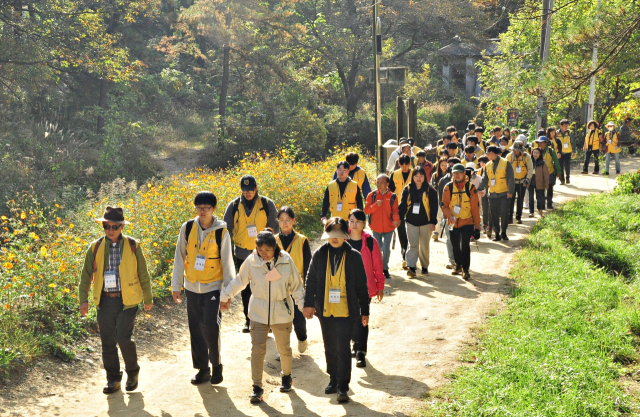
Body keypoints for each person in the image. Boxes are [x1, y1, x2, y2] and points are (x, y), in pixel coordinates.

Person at [219, 230, 305, 403]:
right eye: (260, 249)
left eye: (267, 250)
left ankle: (286, 376)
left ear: (275, 247)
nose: (263, 253)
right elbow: (239, 281)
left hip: (282, 311)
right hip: (258, 312)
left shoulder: (286, 261)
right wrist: (224, 296)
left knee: (284, 349)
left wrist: (304, 306)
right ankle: (257, 387)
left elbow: (296, 286)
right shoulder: (251, 262)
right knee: (257, 350)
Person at [78, 206, 153, 394]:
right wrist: (83, 300)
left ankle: (133, 373)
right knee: (107, 341)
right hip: (104, 301)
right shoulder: (95, 247)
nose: (110, 230)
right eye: (107, 226)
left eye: (114, 227)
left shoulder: (133, 245)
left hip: (127, 300)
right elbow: (86, 276)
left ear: (121, 227)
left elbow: (143, 273)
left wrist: (148, 297)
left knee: (123, 338)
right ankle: (113, 380)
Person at [303, 218, 370, 403]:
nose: (335, 237)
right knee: (330, 346)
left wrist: (365, 311)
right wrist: (308, 304)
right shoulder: (320, 254)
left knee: (343, 347)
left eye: (339, 232)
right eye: (331, 232)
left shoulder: (354, 256)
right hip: (325, 309)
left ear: (345, 235)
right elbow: (311, 281)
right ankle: (332, 378)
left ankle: (342, 386)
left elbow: (361, 286)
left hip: (347, 310)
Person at [171, 191, 235, 386]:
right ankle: (202, 369)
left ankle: (216, 367)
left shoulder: (221, 232)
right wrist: (176, 286)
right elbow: (179, 257)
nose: (202, 211)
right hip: (191, 286)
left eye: (206, 208)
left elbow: (227, 263)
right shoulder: (188, 227)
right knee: (196, 329)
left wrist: (228, 293)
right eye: (199, 208)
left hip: (213, 288)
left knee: (210, 327)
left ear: (214, 208)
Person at [224, 175, 279, 333]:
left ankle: (267, 320)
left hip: (264, 253)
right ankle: (249, 320)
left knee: (266, 285)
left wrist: (269, 248)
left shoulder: (267, 204)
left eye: (250, 190)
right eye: (244, 190)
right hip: (242, 252)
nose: (247, 193)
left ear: (256, 188)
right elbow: (227, 228)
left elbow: (274, 227)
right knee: (245, 287)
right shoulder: (234, 205)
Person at [347, 209, 384, 368]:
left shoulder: (370, 242)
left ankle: (361, 351)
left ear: (364, 224)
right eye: (351, 221)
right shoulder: (342, 239)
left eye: (358, 221)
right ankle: (355, 344)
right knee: (348, 317)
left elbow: (377, 265)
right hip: (345, 287)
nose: (354, 225)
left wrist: (380, 285)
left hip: (365, 287)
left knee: (362, 318)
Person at [275, 207, 312, 357]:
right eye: (282, 221)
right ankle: (283, 349)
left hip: (297, 285)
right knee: (281, 320)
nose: (285, 224)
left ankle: (302, 338)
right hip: (279, 285)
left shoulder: (302, 240)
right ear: (278, 221)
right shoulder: (274, 240)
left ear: (293, 221)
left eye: (288, 221)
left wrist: (309, 289)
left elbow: (309, 265)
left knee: (298, 318)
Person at [441, 164, 481, 279]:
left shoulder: (471, 188)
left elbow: (475, 208)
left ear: (464, 173)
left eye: (459, 173)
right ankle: (458, 266)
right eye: (454, 173)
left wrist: (477, 225)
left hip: (467, 222)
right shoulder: (448, 187)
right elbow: (444, 205)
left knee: (465, 246)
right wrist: (450, 216)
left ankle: (465, 269)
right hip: (453, 223)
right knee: (455, 246)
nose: (456, 175)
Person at [398, 165, 439, 277]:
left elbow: (434, 207)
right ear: (413, 177)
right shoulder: (407, 189)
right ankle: (411, 267)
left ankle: (424, 266)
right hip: (411, 221)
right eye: (416, 176)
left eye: (421, 176)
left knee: (424, 246)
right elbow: (402, 205)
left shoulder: (431, 190)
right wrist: (398, 217)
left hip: (426, 222)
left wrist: (433, 222)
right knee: (413, 245)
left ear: (425, 177)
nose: (418, 178)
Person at [364, 174, 400, 279]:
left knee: (386, 248)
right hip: (376, 227)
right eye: (377, 182)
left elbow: (395, 210)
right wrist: (375, 205)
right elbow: (366, 210)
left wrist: (396, 220)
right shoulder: (372, 195)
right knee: (377, 249)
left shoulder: (393, 196)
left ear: (387, 184)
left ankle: (385, 268)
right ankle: (378, 269)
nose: (379, 184)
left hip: (389, 227)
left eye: (381, 182)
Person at [478, 146, 515, 242]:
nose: (486, 155)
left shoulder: (506, 163)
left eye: (488, 153)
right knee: (493, 214)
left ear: (493, 153)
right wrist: (480, 188)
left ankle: (504, 232)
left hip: (504, 192)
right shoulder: (487, 165)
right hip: (492, 193)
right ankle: (497, 233)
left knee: (504, 213)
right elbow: (484, 178)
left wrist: (510, 191)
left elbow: (511, 178)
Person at [389, 154, 413, 269]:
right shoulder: (394, 174)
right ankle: (404, 257)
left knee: (412, 233)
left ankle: (411, 257)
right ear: (399, 164)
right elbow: (390, 193)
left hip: (413, 208)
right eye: (402, 165)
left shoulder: (415, 174)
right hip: (398, 208)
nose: (404, 167)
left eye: (406, 165)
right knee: (402, 233)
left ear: (410, 164)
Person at [437, 157, 461, 269]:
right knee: (449, 237)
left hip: (462, 214)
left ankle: (459, 260)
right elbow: (441, 200)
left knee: (460, 237)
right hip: (448, 214)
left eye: (454, 165)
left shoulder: (465, 182)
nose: (450, 166)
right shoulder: (443, 181)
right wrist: (445, 213)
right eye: (449, 165)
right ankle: (452, 260)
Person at [506, 141, 533, 224]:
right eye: (514, 149)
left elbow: (530, 169)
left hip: (522, 181)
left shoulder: (526, 156)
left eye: (517, 150)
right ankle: (510, 217)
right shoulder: (509, 156)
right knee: (510, 200)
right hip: (512, 182)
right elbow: (505, 170)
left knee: (520, 200)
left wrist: (527, 179)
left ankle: (518, 217)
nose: (515, 151)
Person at [536, 137, 561, 210]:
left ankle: (549, 203)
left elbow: (556, 161)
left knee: (550, 188)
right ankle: (542, 205)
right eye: (539, 142)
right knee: (541, 189)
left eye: (542, 142)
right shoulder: (537, 151)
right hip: (540, 174)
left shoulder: (551, 151)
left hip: (550, 172)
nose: (540, 144)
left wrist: (559, 172)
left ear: (546, 143)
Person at [430, 157, 449, 242]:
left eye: (446, 165)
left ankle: (449, 232)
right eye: (442, 165)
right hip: (438, 198)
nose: (444, 166)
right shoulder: (435, 175)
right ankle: (436, 232)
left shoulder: (450, 175)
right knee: (438, 215)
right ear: (439, 165)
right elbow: (433, 186)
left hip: (449, 198)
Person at [530, 148, 549, 217]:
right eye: (534, 153)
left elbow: (546, 174)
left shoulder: (542, 163)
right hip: (531, 182)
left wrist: (546, 184)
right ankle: (531, 212)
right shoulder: (529, 162)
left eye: (537, 153)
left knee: (539, 198)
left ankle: (539, 210)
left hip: (540, 183)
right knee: (530, 198)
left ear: (540, 154)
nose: (535, 154)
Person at [557, 119, 576, 184]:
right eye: (565, 126)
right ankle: (562, 180)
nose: (566, 127)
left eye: (567, 126)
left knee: (567, 165)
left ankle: (568, 178)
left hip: (568, 152)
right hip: (560, 152)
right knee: (561, 166)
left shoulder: (570, 133)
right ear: (561, 126)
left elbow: (573, 142)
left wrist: (574, 151)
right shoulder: (557, 133)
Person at [477, 156, 492, 236]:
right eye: (481, 162)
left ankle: (489, 226)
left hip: (490, 190)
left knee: (490, 209)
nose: (482, 164)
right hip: (482, 192)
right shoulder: (478, 171)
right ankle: (485, 224)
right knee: (484, 209)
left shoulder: (490, 170)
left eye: (484, 162)